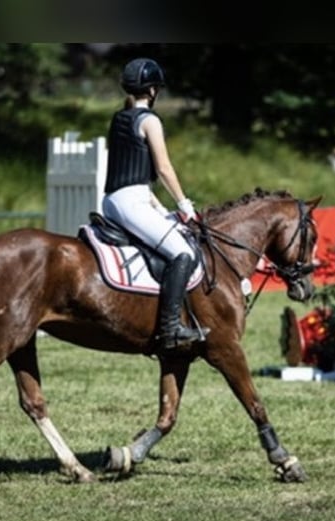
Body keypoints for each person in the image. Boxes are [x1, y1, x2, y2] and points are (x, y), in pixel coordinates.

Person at [102, 57, 208, 351]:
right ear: (152, 91)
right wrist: (185, 204)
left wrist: (163, 211)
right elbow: (163, 168)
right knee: (183, 253)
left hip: (113, 201)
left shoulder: (119, 118)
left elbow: (136, 175)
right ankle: (170, 328)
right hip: (131, 203)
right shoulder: (150, 121)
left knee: (171, 238)